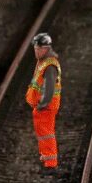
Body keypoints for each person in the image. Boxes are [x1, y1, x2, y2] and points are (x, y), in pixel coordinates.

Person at [25, 33, 62, 174]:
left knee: (47, 133)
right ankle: (46, 159)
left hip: (46, 106)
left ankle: (51, 164)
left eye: (37, 48)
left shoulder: (50, 65)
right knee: (43, 133)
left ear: (45, 48)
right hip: (42, 106)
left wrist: (42, 104)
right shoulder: (44, 62)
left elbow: (49, 89)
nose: (35, 51)